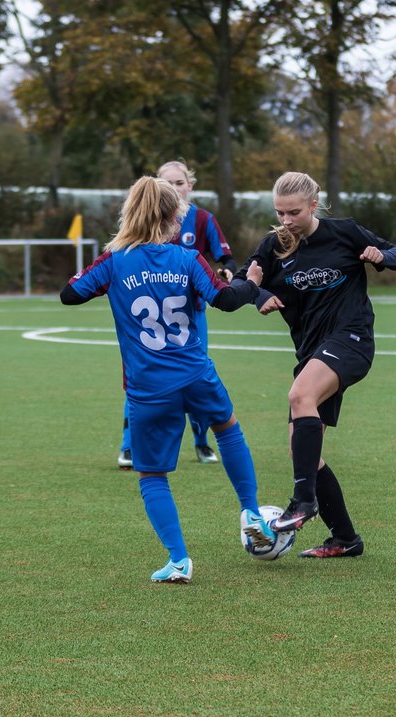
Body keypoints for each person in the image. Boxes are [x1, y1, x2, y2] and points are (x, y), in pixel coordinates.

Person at [61, 175, 275, 583]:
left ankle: (179, 560)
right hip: (195, 373)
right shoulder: (185, 259)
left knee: (152, 475)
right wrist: (251, 284)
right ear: (172, 216)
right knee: (227, 429)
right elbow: (226, 300)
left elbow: (70, 294)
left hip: (148, 386)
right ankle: (250, 509)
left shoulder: (115, 260)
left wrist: (109, 275)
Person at [237, 171, 396, 558]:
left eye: (293, 212)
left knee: (300, 395)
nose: (286, 221)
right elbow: (242, 281)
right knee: (303, 450)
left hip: (351, 338)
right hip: (312, 351)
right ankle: (345, 539)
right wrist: (258, 293)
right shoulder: (273, 245)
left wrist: (381, 256)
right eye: (279, 213)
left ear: (314, 205)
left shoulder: (344, 232)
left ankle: (303, 501)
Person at [116, 159, 237, 470]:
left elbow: (226, 258)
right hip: (146, 319)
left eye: (179, 182)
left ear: (190, 185)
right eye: (167, 183)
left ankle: (202, 442)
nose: (174, 187)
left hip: (191, 316)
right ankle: (129, 447)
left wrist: (226, 272)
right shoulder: (144, 218)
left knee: (195, 377)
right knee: (138, 377)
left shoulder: (202, 220)